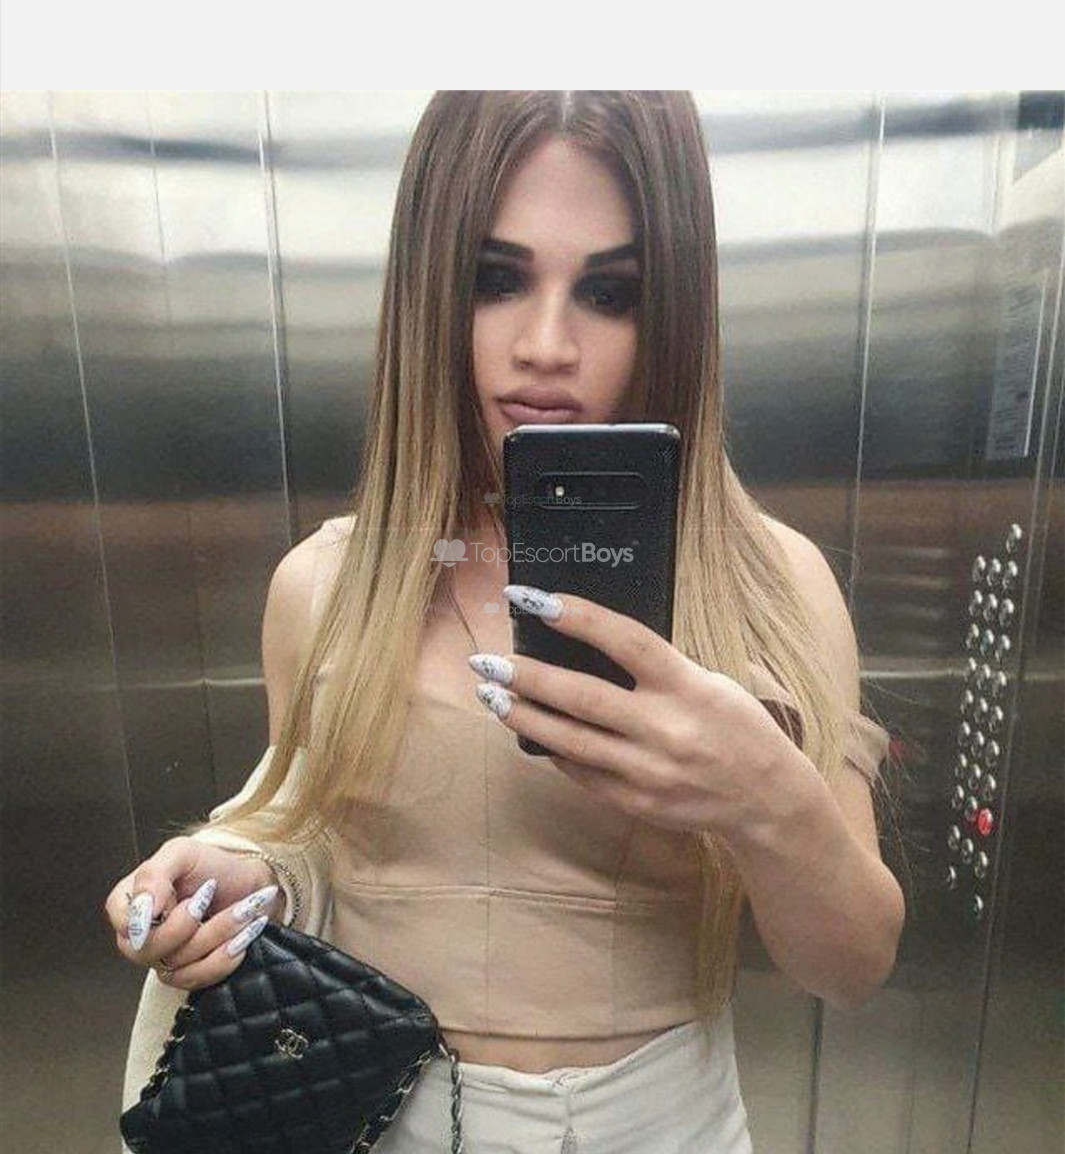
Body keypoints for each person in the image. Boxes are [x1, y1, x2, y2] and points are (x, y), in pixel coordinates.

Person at [105, 91, 905, 1153]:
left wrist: (768, 802)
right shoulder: (328, 583)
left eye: (610, 292)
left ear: (673, 313)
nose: (546, 344)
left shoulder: (772, 585)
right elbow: (313, 844)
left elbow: (850, 968)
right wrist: (240, 881)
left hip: (667, 1127)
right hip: (385, 1114)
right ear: (430, 293)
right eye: (496, 279)